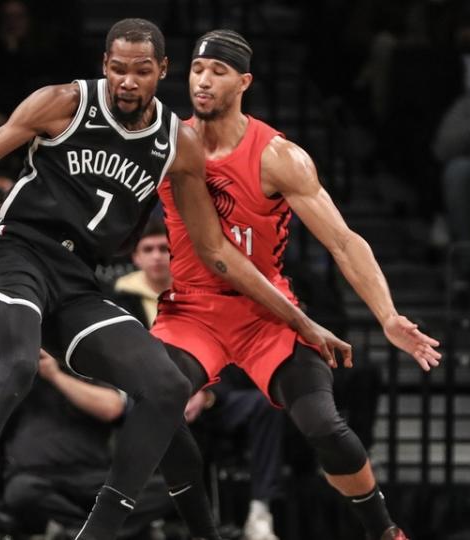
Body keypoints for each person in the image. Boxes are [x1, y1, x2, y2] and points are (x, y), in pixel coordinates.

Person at [0, 18, 348, 540]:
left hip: (76, 276)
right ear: (104, 66)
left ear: (162, 71)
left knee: (167, 387)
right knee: (16, 368)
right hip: (16, 251)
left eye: (142, 71)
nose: (128, 81)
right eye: (118, 69)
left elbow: (216, 251)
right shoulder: (62, 103)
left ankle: (109, 531)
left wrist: (300, 320)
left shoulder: (178, 144)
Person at [151, 30, 442, 540]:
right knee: (152, 402)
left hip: (267, 313)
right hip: (194, 310)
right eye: (197, 69)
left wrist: (388, 315)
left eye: (217, 72)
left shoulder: (278, 156)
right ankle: (205, 532)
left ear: (244, 82)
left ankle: (384, 531)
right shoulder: (168, 142)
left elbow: (345, 242)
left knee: (326, 427)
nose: (203, 80)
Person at [114, 220, 285, 540]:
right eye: (147, 250)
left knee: (265, 405)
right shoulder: (121, 299)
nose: (157, 257)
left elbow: (225, 350)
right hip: (149, 400)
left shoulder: (200, 290)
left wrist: (204, 394)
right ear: (135, 257)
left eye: (164, 249)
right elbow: (121, 360)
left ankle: (260, 510)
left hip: (204, 396)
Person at [1, 350, 174, 538]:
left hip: (92, 477)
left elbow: (112, 408)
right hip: (37, 478)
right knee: (20, 491)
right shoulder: (15, 375)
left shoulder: (87, 368)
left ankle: (77, 534)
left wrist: (54, 375)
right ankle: (94, 532)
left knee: (172, 488)